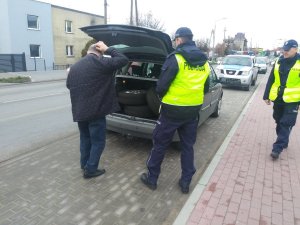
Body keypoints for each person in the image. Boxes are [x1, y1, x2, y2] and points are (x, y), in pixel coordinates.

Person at [140, 27, 210, 193]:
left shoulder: (176, 58)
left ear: (179, 39)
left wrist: (162, 95)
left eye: (175, 40)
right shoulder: (205, 62)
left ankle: (152, 179)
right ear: (191, 39)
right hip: (192, 111)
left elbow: (161, 86)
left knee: (159, 145)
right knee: (187, 147)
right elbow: (205, 87)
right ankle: (185, 182)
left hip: (172, 111)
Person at [66, 42, 128, 178]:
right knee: (98, 141)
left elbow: (68, 85)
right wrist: (108, 49)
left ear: (88, 51)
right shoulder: (101, 62)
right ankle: (91, 170)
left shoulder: (74, 67)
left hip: (80, 111)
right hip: (96, 111)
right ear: (99, 51)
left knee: (85, 138)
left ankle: (84, 164)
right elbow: (123, 60)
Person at [263, 39, 300, 160]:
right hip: (278, 98)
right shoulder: (278, 62)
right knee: (278, 120)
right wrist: (266, 95)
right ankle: (284, 139)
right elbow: (271, 79)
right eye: (284, 49)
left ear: (295, 49)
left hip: (293, 100)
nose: (285, 51)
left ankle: (277, 149)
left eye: (288, 49)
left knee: (286, 122)